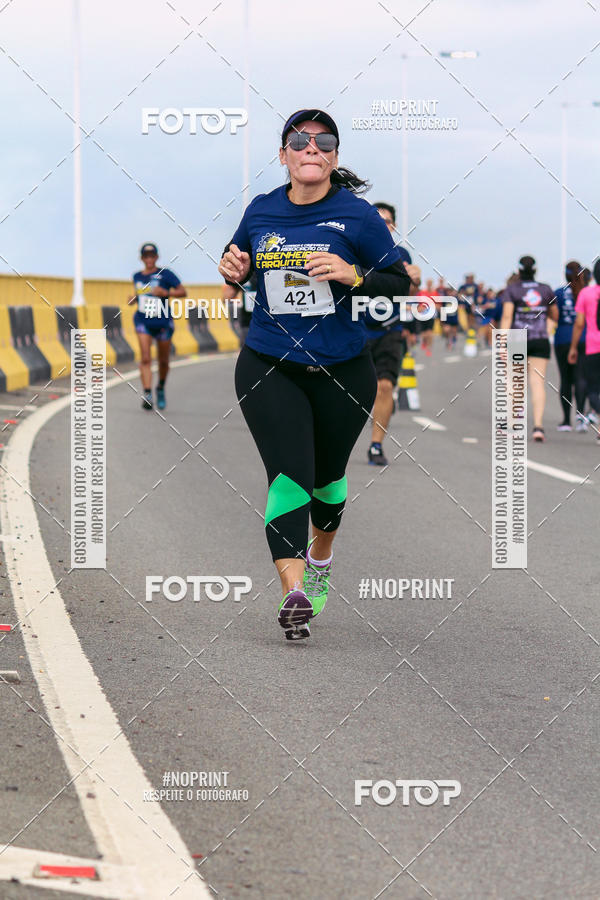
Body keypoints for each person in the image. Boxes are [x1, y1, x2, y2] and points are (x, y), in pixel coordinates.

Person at [218, 108, 408, 640]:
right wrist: (233, 269)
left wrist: (355, 274)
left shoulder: (357, 216)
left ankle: (320, 556)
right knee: (288, 475)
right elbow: (239, 263)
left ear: (334, 158)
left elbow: (400, 283)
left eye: (324, 141)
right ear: (284, 156)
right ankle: (293, 591)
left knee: (326, 480)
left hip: (343, 369)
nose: (312, 147)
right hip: (268, 361)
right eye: (300, 141)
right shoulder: (261, 211)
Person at [364, 201, 419, 466]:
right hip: (356, 328)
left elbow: (410, 293)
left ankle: (376, 444)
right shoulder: (354, 250)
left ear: (393, 226)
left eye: (387, 221)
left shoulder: (401, 255)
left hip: (390, 328)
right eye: (377, 221)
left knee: (385, 386)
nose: (382, 226)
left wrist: (415, 281)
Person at [500, 255, 558, 441]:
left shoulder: (512, 289)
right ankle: (538, 426)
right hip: (540, 338)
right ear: (535, 271)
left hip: (518, 338)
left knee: (515, 383)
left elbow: (507, 316)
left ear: (518, 271)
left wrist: (502, 342)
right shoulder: (545, 289)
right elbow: (554, 314)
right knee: (538, 383)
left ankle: (511, 423)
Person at [128, 243, 186, 410]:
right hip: (143, 321)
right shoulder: (137, 276)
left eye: (152, 256)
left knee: (163, 361)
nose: (149, 259)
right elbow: (141, 296)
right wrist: (133, 299)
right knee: (145, 358)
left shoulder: (165, 274)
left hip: (162, 322)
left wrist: (166, 293)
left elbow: (183, 292)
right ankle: (147, 394)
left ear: (156, 257)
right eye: (146, 256)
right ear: (142, 258)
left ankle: (160, 387)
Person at [553, 261, 589, 431]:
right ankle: (581, 417)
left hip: (562, 338)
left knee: (566, 379)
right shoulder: (587, 293)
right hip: (584, 337)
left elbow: (553, 315)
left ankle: (566, 421)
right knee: (581, 378)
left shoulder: (559, 293)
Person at [568, 259, 600, 444]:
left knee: (593, 389)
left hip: (593, 346)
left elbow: (579, 323)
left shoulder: (586, 294)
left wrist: (573, 348)